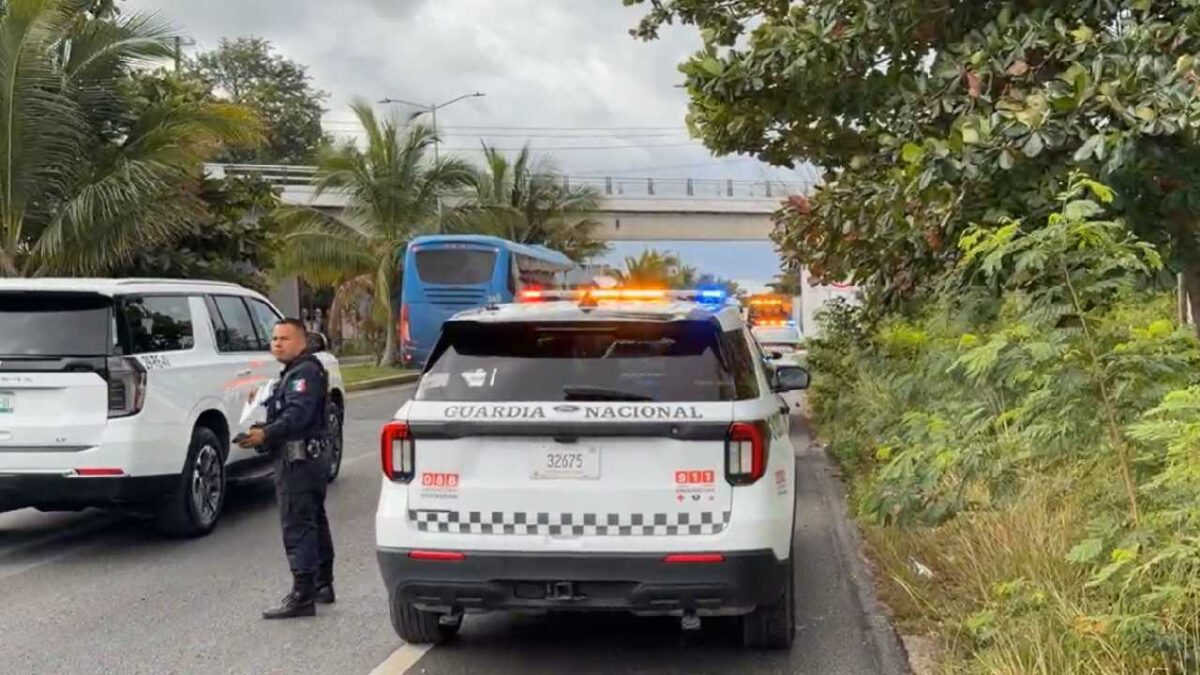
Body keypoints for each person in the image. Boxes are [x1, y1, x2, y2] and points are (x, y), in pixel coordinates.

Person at [238, 318, 335, 619]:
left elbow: (298, 415)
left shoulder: (304, 373)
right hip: (308, 458)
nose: (277, 343)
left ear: (302, 342)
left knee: (298, 524)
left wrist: (265, 434)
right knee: (313, 519)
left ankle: (302, 595)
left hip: (298, 461)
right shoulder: (298, 371)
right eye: (275, 338)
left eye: (285, 338)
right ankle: (322, 584)